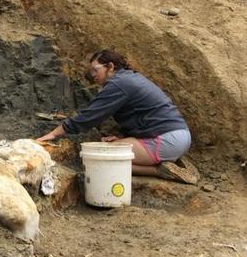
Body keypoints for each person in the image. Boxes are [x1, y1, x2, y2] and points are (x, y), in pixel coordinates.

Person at [37, 49, 198, 184]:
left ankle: (159, 170)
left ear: (110, 67)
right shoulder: (129, 78)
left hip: (166, 140)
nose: (92, 75)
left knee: (99, 157)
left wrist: (53, 134)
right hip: (179, 136)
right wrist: (122, 137)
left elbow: (90, 116)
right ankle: (171, 159)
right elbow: (146, 116)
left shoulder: (118, 85)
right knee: (110, 148)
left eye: (95, 70)